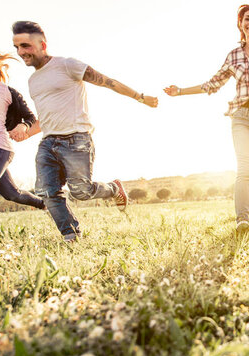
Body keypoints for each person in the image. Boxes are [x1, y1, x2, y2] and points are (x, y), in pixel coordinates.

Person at [11, 21, 158, 242]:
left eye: (26, 46)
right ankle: (71, 236)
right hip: (48, 143)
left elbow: (108, 82)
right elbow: (45, 119)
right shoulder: (33, 80)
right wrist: (26, 133)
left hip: (76, 140)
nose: (21, 52)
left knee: (81, 191)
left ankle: (113, 188)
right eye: (17, 48)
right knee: (48, 192)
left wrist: (140, 97)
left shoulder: (68, 65)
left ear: (43, 44)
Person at [164, 4, 249, 234]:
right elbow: (213, 83)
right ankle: (242, 219)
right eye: (247, 18)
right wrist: (180, 91)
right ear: (241, 23)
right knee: (243, 168)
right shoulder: (234, 55)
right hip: (241, 117)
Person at [0, 52, 45, 211]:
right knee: (13, 194)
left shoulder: (6, 91)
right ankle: (46, 204)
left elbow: (30, 117)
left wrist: (24, 126)